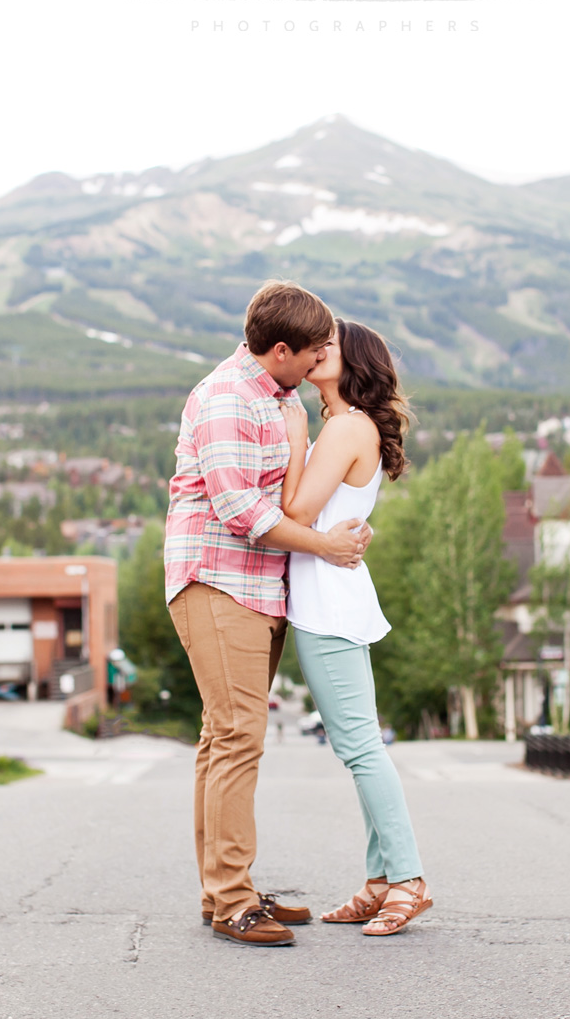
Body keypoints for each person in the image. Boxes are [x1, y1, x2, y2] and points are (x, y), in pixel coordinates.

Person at [164, 280, 373, 948]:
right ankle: (232, 900)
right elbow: (242, 512)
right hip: (218, 581)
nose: (318, 367)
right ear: (279, 349)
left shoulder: (274, 398)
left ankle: (224, 888)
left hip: (255, 588)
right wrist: (327, 547)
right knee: (238, 737)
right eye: (310, 356)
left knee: (219, 736)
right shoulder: (228, 397)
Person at [279, 318, 432, 937]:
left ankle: (409, 879)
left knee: (361, 748)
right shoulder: (348, 426)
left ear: (355, 361)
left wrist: (293, 436)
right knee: (360, 744)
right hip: (333, 595)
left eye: (329, 346)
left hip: (328, 604)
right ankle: (378, 880)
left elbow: (296, 512)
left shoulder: (343, 427)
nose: (317, 352)